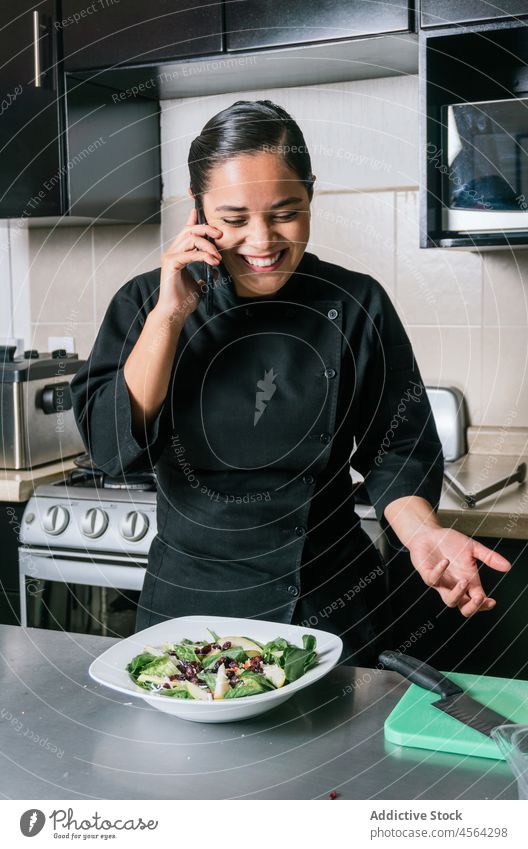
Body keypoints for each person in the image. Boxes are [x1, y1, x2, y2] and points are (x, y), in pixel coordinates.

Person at [70, 99, 511, 667]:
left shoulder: (356, 303)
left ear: (311, 195)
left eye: (286, 212)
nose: (262, 240)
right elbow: (109, 449)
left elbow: (397, 448)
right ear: (197, 209)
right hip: (189, 610)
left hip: (331, 607)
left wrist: (422, 533)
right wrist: (168, 317)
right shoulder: (145, 302)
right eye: (233, 219)